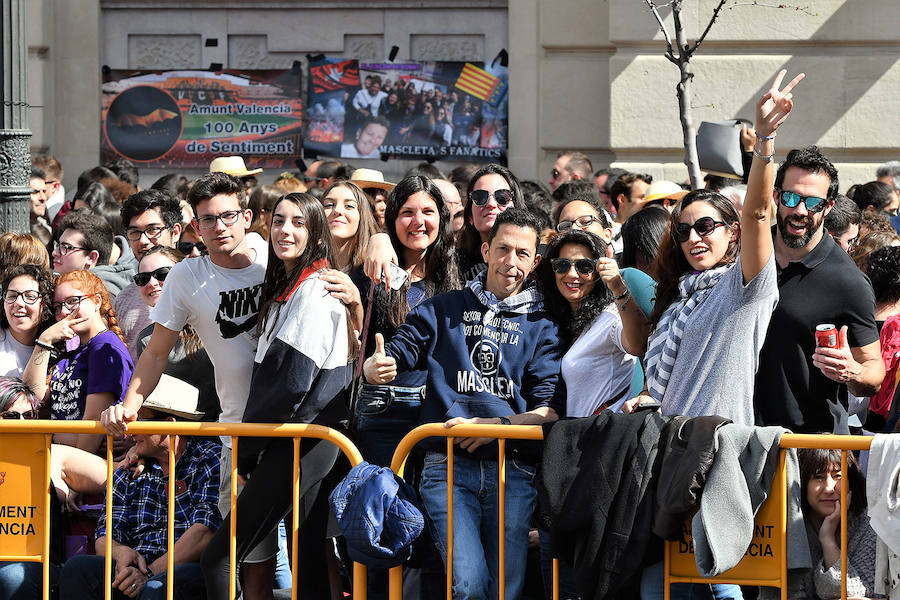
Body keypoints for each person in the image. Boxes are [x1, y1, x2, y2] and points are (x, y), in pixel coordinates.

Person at [623, 70, 806, 600]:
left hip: (719, 462)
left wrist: (765, 140)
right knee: (659, 586)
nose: (693, 237)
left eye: (707, 226)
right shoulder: (680, 295)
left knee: (719, 587)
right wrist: (651, 401)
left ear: (730, 235)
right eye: (683, 230)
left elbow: (757, 211)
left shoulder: (745, 286)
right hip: (670, 459)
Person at [364, 208, 565, 600]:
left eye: (523, 254)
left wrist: (498, 429)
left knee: (506, 590)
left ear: (536, 261)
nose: (511, 262)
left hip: (513, 471)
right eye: (503, 249)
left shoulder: (544, 326)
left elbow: (549, 411)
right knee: (469, 584)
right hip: (446, 467)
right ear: (486, 250)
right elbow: (399, 351)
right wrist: (377, 366)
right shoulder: (443, 308)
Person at [99, 172, 279, 597]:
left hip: (295, 428)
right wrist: (130, 406)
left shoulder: (275, 259)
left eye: (228, 216)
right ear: (195, 227)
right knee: (247, 562)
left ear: (247, 218)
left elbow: (334, 248)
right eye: (208, 219)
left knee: (295, 560)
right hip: (238, 435)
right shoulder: (186, 277)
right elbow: (156, 353)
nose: (219, 226)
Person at [200, 192, 354, 599]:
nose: (285, 230)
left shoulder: (316, 289)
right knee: (309, 567)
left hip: (304, 441)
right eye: (279, 221)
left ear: (318, 236)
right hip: (296, 440)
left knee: (218, 556)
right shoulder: (292, 286)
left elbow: (289, 383)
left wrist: (248, 451)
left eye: (299, 223)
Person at [754, 150, 885, 432]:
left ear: (828, 207)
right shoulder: (751, 253)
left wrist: (852, 370)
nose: (800, 211)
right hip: (741, 435)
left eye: (812, 202)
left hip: (809, 445)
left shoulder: (847, 280)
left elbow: (874, 373)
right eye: (791, 197)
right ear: (776, 197)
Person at [59, 395, 221, 600]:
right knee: (78, 569)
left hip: (187, 568)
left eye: (137, 422)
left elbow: (205, 532)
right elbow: (105, 535)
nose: (129, 432)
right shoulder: (127, 470)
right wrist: (120, 552)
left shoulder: (209, 459)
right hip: (134, 570)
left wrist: (150, 573)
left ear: (168, 426)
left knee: (155, 590)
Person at [352, 175, 459, 468]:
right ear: (393, 217)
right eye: (407, 213)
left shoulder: (458, 275)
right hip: (383, 410)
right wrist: (378, 238)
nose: (418, 221)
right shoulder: (370, 272)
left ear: (442, 217)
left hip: (439, 415)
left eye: (428, 212)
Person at [23, 269, 133, 454]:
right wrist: (44, 341)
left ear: (97, 301)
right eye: (58, 306)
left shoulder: (103, 346)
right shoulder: (73, 353)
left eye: (73, 301)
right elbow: (32, 396)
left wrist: (56, 439)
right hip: (65, 456)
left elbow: (93, 422)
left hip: (84, 461)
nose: (64, 312)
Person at [537, 230, 636, 417]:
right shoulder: (555, 320)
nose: (572, 274)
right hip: (571, 438)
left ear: (599, 271)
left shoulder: (611, 317)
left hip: (603, 436)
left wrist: (618, 288)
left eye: (584, 266)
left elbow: (636, 345)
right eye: (562, 265)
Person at [134, 246, 220, 422]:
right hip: (176, 437)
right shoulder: (146, 339)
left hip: (226, 429)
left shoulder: (214, 318)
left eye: (162, 274)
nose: (152, 283)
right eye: (143, 279)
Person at [793, 448, 879, 600]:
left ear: (851, 482)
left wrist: (828, 539)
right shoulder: (789, 526)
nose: (828, 488)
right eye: (818, 477)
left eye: (837, 476)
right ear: (803, 482)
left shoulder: (869, 523)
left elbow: (852, 593)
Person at [115, 189, 184, 361]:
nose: (143, 240)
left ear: (175, 231)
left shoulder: (202, 286)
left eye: (152, 229)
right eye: (135, 232)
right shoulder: (124, 300)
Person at [453, 163, 526, 283]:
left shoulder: (538, 265)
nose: (491, 204)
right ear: (470, 215)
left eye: (502, 196)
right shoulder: (452, 265)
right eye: (480, 197)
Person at [0, 265, 54, 378]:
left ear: (45, 303)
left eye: (30, 296)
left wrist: (45, 340)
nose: (18, 303)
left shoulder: (58, 350)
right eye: (12, 296)